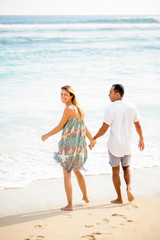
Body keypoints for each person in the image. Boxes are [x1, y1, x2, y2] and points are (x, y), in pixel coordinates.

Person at [41, 85, 95, 211]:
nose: (62, 97)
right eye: (61, 94)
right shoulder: (78, 109)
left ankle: (70, 205)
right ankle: (85, 196)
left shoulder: (69, 109)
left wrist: (47, 135)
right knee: (77, 171)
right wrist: (91, 140)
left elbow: (60, 126)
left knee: (67, 175)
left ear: (71, 96)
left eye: (65, 94)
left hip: (69, 146)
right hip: (79, 146)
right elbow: (84, 127)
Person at [93, 84, 144, 204]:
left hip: (114, 146)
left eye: (110, 92)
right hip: (127, 145)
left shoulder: (110, 109)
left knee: (115, 171)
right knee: (126, 168)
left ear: (117, 94)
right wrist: (141, 138)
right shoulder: (132, 107)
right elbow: (138, 125)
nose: (108, 94)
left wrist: (94, 138)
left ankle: (119, 198)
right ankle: (129, 188)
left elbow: (104, 128)